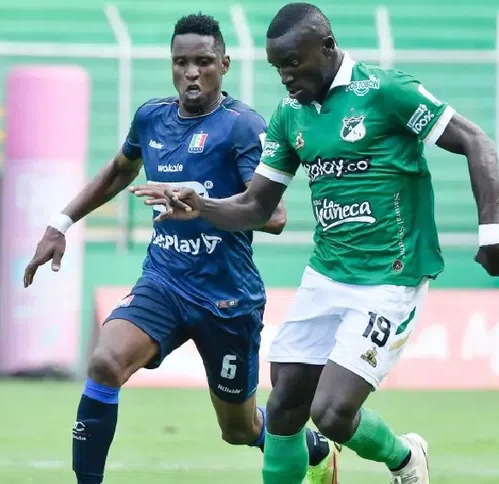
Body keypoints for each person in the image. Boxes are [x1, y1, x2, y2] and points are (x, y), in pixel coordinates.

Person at [150, 3, 499, 484]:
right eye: (277, 67)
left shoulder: (386, 92)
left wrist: (490, 235)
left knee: (329, 413)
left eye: (293, 63)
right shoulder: (290, 115)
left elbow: (476, 142)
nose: (285, 76)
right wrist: (201, 206)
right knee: (283, 405)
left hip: (390, 278)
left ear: (326, 47)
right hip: (326, 275)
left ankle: (406, 458)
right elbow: (257, 206)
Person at [22, 12, 340, 484]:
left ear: (224, 65)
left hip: (227, 297)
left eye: (204, 62)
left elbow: (273, 216)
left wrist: (200, 204)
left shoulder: (242, 127)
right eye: (181, 62)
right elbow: (118, 172)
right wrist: (60, 223)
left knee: (238, 429)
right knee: (105, 362)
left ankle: (312, 448)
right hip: (165, 282)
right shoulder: (151, 118)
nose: (192, 72)